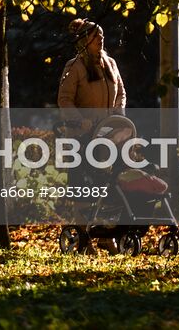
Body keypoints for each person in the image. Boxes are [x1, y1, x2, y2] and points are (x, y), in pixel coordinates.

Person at [56, 18, 126, 253]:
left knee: (112, 183)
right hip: (83, 136)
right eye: (96, 36)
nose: (101, 39)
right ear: (85, 41)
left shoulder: (110, 63)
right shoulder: (74, 66)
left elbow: (121, 94)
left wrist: (118, 118)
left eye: (102, 35)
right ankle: (84, 236)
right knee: (84, 185)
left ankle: (107, 234)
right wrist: (79, 120)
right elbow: (64, 100)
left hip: (108, 135)